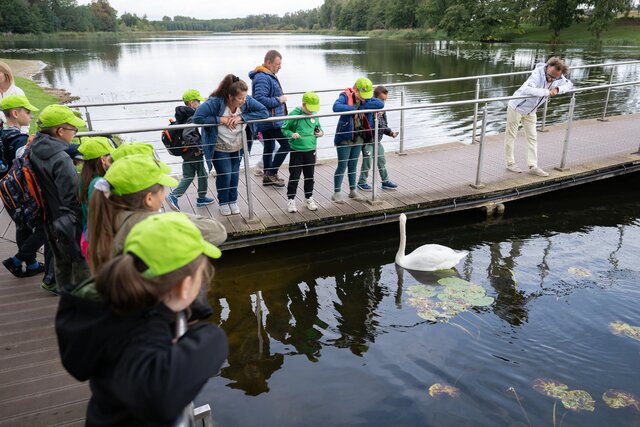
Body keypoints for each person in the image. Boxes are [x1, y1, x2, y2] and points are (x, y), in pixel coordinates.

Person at [56, 212, 228, 426]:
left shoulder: (108, 310)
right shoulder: (142, 333)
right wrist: (213, 336)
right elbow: (159, 397)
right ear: (184, 287)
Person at [87, 154, 227, 274]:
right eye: (162, 188)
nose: (164, 193)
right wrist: (170, 217)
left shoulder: (106, 216)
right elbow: (217, 231)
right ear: (149, 199)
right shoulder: (153, 225)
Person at [30, 105, 90, 293]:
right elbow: (71, 197)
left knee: (56, 253)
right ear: (60, 131)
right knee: (75, 257)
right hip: (64, 217)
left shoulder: (35, 146)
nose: (75, 133)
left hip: (47, 210)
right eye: (74, 130)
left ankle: (52, 282)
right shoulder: (61, 159)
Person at [193, 74, 268, 216]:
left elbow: (263, 112)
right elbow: (197, 118)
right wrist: (220, 119)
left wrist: (242, 117)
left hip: (238, 145)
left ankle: (232, 201)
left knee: (234, 174)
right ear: (230, 96)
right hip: (219, 146)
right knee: (225, 174)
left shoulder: (246, 101)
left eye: (245, 97)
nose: (244, 101)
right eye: (240, 98)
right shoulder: (215, 103)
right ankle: (223, 202)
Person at [0, 95, 48, 279]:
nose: (30, 116)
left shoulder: (2, 134)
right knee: (46, 226)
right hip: (24, 190)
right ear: (15, 113)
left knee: (22, 226)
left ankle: (32, 263)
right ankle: (17, 260)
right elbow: (25, 161)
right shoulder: (19, 139)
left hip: (7, 189)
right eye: (27, 112)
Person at [505, 56, 573, 177]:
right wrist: (547, 92)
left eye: (554, 77)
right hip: (516, 107)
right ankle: (510, 163)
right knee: (511, 135)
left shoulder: (559, 77)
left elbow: (569, 84)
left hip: (531, 111)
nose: (550, 78)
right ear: (548, 67)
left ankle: (533, 166)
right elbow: (527, 89)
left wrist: (557, 89)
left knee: (532, 137)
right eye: (550, 75)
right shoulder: (537, 75)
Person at [332, 77, 384, 204]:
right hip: (345, 137)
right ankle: (337, 192)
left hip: (359, 137)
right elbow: (336, 107)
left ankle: (352, 191)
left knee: (353, 165)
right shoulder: (345, 96)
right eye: (362, 95)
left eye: (367, 95)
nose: (364, 98)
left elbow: (380, 104)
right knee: (342, 165)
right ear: (355, 90)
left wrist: (363, 106)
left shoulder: (365, 99)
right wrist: (354, 110)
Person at [166, 89, 215, 211]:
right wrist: (198, 148)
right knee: (201, 174)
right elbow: (187, 134)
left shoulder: (183, 114)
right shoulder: (192, 116)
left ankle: (180, 196)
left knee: (189, 175)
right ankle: (180, 196)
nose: (200, 103)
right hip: (193, 152)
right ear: (192, 102)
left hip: (186, 151)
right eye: (198, 101)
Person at [249, 49, 289, 187]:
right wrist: (279, 100)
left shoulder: (267, 75)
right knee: (287, 144)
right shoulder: (262, 77)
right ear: (268, 62)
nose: (280, 67)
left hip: (269, 120)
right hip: (271, 121)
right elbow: (259, 99)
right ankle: (271, 173)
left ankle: (268, 176)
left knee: (269, 146)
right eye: (277, 64)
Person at [281, 91, 323, 213]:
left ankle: (308, 197)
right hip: (297, 150)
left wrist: (320, 133)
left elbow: (318, 127)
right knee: (294, 176)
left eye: (313, 109)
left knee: (310, 176)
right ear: (303, 104)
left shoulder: (315, 115)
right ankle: (291, 199)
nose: (311, 112)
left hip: (311, 150)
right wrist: (291, 134)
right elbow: (284, 128)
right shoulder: (295, 114)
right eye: (309, 109)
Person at [77, 136, 114, 260]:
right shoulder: (99, 184)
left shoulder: (84, 178)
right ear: (103, 159)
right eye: (111, 157)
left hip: (89, 233)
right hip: (100, 239)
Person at [357, 85, 399, 191]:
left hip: (377, 141)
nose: (383, 103)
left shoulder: (383, 112)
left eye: (385, 100)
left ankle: (385, 181)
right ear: (375, 99)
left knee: (381, 161)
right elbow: (366, 127)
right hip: (368, 142)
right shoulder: (368, 110)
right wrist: (375, 116)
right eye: (381, 100)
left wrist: (390, 133)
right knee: (367, 163)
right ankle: (362, 182)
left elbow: (384, 126)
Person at [0, 61, 26, 130]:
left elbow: (24, 116)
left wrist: (23, 134)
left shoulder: (17, 92)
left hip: (14, 133)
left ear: (6, 74)